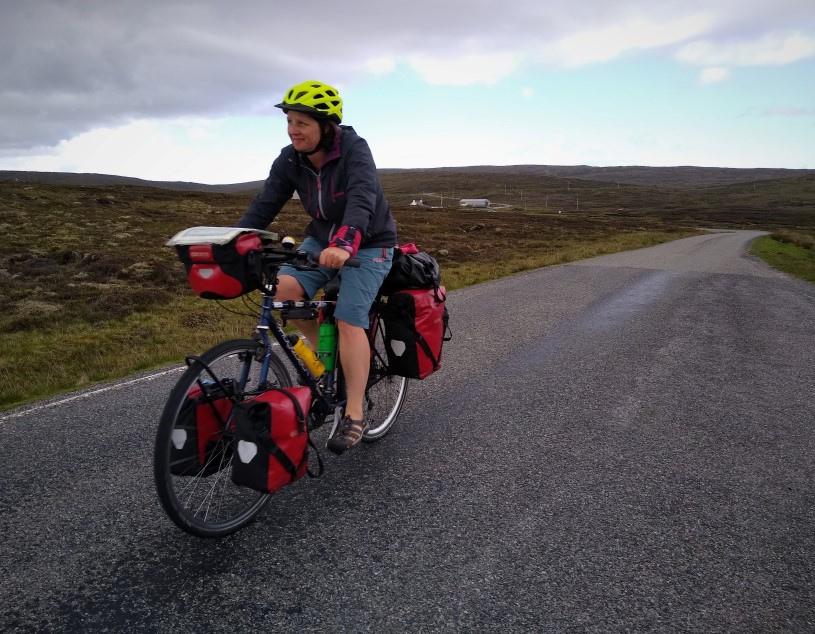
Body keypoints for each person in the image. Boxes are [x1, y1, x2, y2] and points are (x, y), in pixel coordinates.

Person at [236, 79, 397, 454]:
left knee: (349, 319)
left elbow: (362, 198)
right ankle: (325, 361)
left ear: (327, 126)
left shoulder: (354, 149)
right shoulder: (289, 158)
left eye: (302, 123)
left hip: (370, 243)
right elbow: (266, 203)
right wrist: (237, 240)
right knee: (286, 292)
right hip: (321, 238)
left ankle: (354, 413)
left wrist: (345, 242)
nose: (294, 130)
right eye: (290, 122)